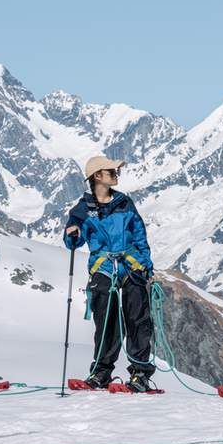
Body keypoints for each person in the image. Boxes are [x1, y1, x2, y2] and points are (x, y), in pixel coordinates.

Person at [63, 155, 158, 392]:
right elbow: (73, 241)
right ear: (97, 176)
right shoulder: (82, 210)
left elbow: (139, 235)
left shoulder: (125, 203)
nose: (116, 175)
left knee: (138, 320)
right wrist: (72, 234)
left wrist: (147, 265)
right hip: (104, 267)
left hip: (132, 266)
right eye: (111, 171)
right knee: (106, 321)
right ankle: (101, 372)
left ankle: (139, 374)